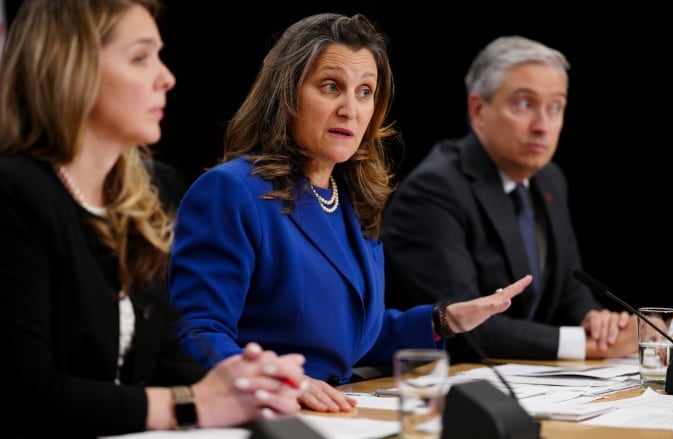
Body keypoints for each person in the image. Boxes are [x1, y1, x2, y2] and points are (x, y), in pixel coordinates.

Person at [0, 0, 307, 436]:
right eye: (141, 58)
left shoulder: (144, 192)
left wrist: (245, 384)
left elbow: (164, 353)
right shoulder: (2, 197)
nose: (167, 77)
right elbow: (25, 396)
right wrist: (192, 404)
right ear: (72, 70)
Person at [168, 13, 530, 414]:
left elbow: (349, 336)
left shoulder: (354, 199)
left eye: (364, 92)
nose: (350, 109)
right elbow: (197, 330)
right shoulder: (232, 192)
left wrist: (444, 320)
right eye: (330, 87)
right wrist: (282, 380)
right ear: (286, 94)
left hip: (342, 412)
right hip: (270, 414)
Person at [380, 35, 637, 364]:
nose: (543, 126)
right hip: (441, 384)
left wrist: (595, 320)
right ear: (478, 110)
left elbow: (570, 287)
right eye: (525, 104)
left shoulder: (549, 179)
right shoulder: (434, 191)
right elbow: (462, 323)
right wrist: (587, 345)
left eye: (555, 107)